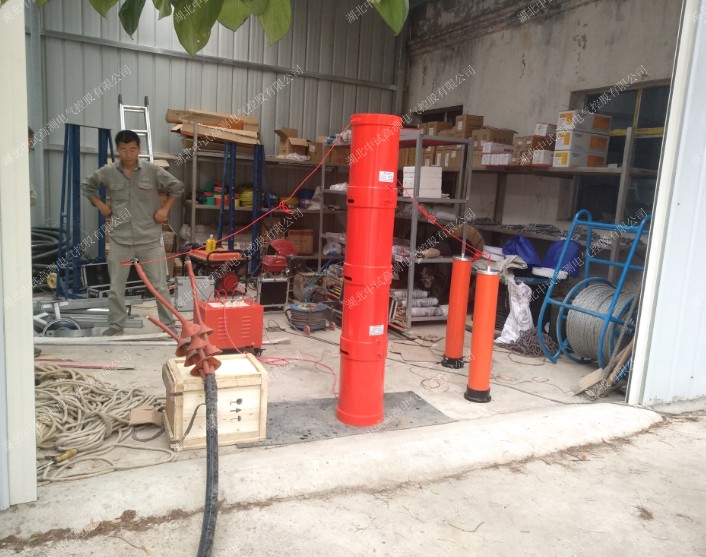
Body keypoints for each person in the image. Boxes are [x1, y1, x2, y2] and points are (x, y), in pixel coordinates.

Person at [81, 130, 184, 336]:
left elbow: (177, 187)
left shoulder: (151, 171)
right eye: (123, 150)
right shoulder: (108, 172)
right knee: (116, 287)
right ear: (118, 150)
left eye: (132, 149)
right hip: (120, 240)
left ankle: (168, 324)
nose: (128, 154)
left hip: (149, 239)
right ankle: (116, 325)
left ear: (138, 149)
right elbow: (87, 186)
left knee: (160, 286)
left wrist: (165, 209)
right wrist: (102, 206)